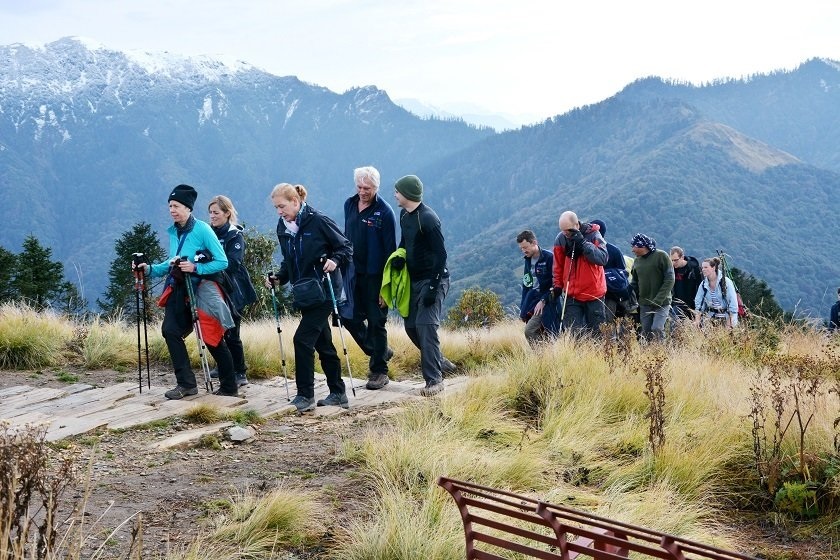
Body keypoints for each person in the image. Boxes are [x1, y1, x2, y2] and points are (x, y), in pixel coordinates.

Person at [135, 184, 238, 399]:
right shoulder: (174, 231)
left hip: (202, 288)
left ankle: (229, 386)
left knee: (212, 338)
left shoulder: (202, 229)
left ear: (189, 208)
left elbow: (222, 261)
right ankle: (186, 384)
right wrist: (150, 269)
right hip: (179, 288)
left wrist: (196, 267)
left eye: (177, 206)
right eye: (170, 206)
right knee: (170, 331)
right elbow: (174, 261)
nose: (172, 210)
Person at [267, 183, 353, 412]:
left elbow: (345, 247)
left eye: (282, 206)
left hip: (325, 291)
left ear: (296, 201)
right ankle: (338, 392)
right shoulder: (282, 226)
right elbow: (288, 260)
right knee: (323, 343)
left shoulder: (319, 221)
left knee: (302, 339)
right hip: (304, 293)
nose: (279, 212)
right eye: (276, 207)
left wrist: (335, 260)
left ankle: (305, 395)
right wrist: (279, 278)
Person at [392, 175, 451, 396]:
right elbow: (405, 242)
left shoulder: (428, 218)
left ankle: (434, 381)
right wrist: (400, 256)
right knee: (410, 326)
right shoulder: (404, 215)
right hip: (414, 280)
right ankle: (439, 361)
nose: (395, 194)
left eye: (397, 191)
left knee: (426, 326)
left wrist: (433, 288)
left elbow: (441, 255)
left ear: (407, 194)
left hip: (434, 279)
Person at [342, 166, 397, 390]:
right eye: (360, 186)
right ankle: (379, 350)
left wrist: (386, 288)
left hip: (376, 276)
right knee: (347, 317)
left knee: (376, 321)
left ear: (377, 187)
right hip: (353, 272)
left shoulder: (385, 212)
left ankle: (379, 371)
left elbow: (390, 251)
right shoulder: (349, 204)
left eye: (368, 188)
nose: (363, 191)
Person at [208, 195, 257, 388]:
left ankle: (240, 372)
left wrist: (208, 263)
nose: (212, 216)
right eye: (210, 212)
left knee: (232, 332)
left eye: (216, 213)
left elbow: (233, 263)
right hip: (215, 287)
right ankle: (223, 366)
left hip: (235, 290)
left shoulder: (235, 235)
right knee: (217, 330)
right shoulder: (209, 232)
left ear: (227, 213)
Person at [551, 211, 608, 335]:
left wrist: (583, 243)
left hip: (594, 294)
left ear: (576, 225)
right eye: (562, 230)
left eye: (568, 230)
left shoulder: (594, 235)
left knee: (598, 334)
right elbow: (557, 266)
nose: (565, 233)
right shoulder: (561, 239)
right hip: (572, 295)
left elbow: (603, 258)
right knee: (573, 334)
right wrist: (557, 286)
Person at [629, 234, 675, 341]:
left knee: (657, 328)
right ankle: (648, 355)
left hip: (662, 302)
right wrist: (628, 293)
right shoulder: (637, 261)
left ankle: (661, 353)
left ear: (642, 246)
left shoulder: (661, 256)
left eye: (634, 246)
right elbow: (634, 282)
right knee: (646, 332)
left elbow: (670, 279)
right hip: (644, 303)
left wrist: (659, 299)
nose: (632, 250)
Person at [591, 219, 634, 324]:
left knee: (605, 323)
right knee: (616, 323)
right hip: (616, 293)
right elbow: (623, 272)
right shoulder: (614, 250)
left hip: (601, 294)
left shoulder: (589, 251)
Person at [516, 230, 553, 345]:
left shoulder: (549, 258)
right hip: (532, 301)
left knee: (530, 331)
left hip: (547, 302)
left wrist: (544, 300)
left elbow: (556, 283)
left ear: (534, 242)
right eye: (521, 248)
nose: (523, 250)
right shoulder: (528, 260)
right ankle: (545, 357)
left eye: (525, 247)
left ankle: (540, 357)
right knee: (541, 332)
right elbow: (526, 285)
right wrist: (523, 308)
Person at [694, 257, 739, 329]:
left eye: (706, 267)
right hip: (711, 319)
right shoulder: (703, 284)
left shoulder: (726, 282)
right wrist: (697, 320)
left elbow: (733, 305)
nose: (703, 269)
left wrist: (729, 325)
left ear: (713, 268)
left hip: (726, 318)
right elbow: (699, 304)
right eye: (702, 267)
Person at [669, 246, 702, 322]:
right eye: (672, 260)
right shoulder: (672, 270)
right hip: (678, 304)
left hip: (693, 305)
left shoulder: (694, 269)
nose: (673, 263)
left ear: (682, 257)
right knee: (675, 327)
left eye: (676, 260)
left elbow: (701, 286)